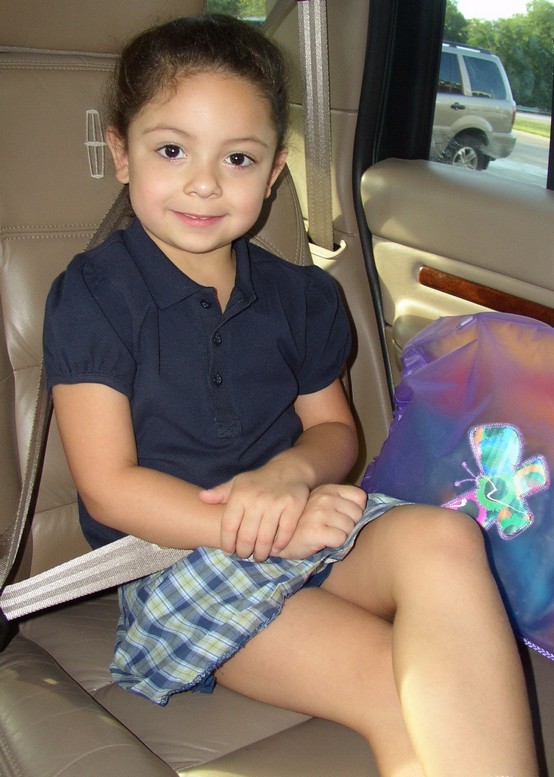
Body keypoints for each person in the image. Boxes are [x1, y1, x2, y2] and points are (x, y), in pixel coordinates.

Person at [43, 14, 538, 777]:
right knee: (399, 683)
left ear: (274, 170)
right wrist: (266, 526)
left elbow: (334, 431)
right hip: (183, 559)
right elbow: (109, 487)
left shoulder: (300, 297)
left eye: (238, 157)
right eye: (171, 150)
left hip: (305, 524)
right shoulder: (94, 296)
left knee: (447, 537)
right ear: (120, 153)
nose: (205, 182)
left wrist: (291, 476)